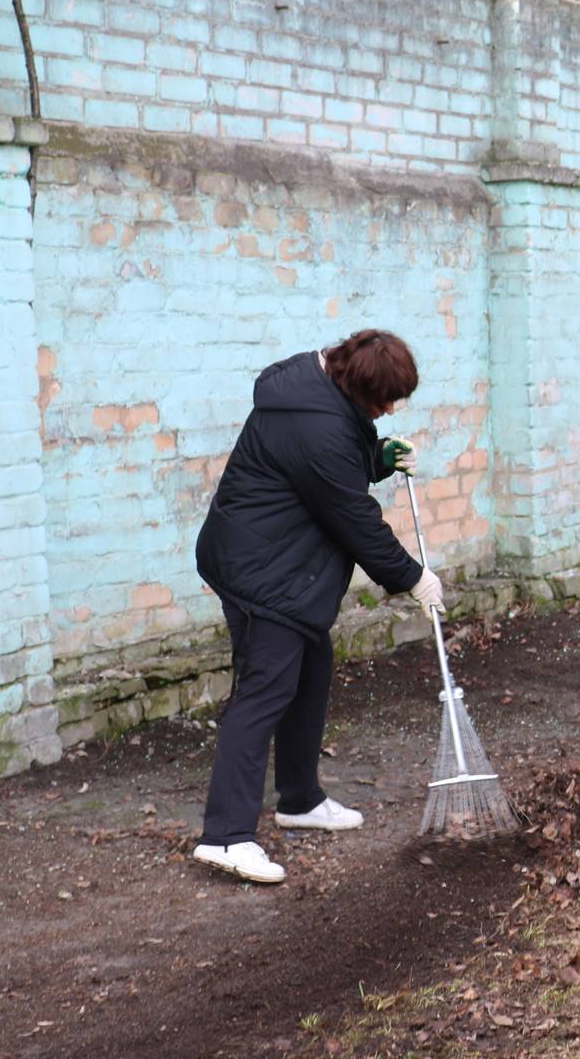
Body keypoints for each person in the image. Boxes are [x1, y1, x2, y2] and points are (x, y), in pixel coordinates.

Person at [191, 329, 445, 884]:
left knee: (310, 668)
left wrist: (377, 456)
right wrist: (412, 577)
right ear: (360, 387)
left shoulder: (317, 389)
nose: (390, 409)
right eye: (385, 400)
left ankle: (300, 799)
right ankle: (226, 836)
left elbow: (329, 468)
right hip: (259, 568)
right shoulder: (316, 425)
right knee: (265, 688)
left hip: (275, 556)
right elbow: (353, 516)